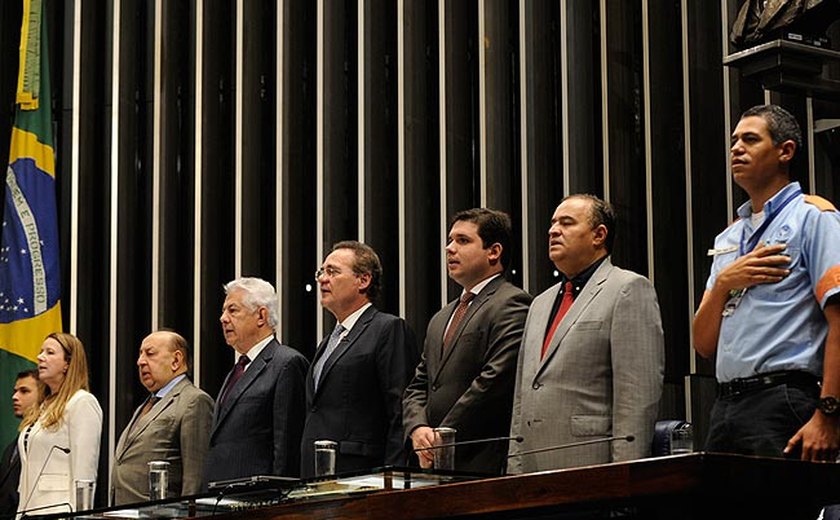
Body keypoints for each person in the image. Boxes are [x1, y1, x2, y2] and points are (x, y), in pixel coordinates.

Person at [694, 104, 840, 461]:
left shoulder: (814, 217)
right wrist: (726, 282)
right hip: (725, 405)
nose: (736, 149)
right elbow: (702, 344)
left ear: (785, 151)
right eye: (733, 142)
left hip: (784, 399)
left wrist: (829, 415)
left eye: (749, 139)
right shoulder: (728, 237)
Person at [507, 195, 664, 473]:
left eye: (566, 223)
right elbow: (523, 395)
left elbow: (637, 396)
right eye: (553, 223)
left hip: (591, 466)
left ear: (598, 235)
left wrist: (623, 476)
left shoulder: (628, 288)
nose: (553, 230)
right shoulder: (539, 303)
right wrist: (515, 468)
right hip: (531, 471)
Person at [403, 208, 532, 475]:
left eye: (462, 241)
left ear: (493, 251)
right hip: (433, 460)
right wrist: (418, 429)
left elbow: (494, 381)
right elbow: (419, 384)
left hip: (481, 460)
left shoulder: (511, 302)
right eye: (450, 240)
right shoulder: (441, 317)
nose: (449, 248)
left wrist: (444, 436)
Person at [300, 241, 418, 477]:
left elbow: (400, 410)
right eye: (321, 272)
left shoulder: (387, 328)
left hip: (362, 475)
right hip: (316, 474)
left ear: (363, 280)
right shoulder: (327, 343)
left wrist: (393, 476)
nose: (323, 279)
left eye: (332, 272)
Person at [203, 277, 308, 485]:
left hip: (257, 499)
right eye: (224, 311)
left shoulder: (287, 363)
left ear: (261, 316)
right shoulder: (238, 369)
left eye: (232, 311)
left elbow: (287, 445)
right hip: (221, 497)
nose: (223, 318)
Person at [111, 331, 213, 504]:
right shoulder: (147, 403)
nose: (140, 361)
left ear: (176, 360)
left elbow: (195, 479)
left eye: (150, 354)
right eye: (140, 354)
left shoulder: (194, 401)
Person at [17, 333, 102, 514]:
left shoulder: (82, 402)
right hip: (29, 509)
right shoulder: (42, 405)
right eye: (41, 352)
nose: (40, 357)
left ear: (68, 363)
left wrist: (80, 514)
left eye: (50, 352)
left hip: (60, 510)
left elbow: (85, 472)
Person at [0, 370, 40, 515]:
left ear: (43, 395)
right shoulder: (10, 449)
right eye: (15, 391)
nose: (15, 397)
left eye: (24, 391)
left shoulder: (43, 444)